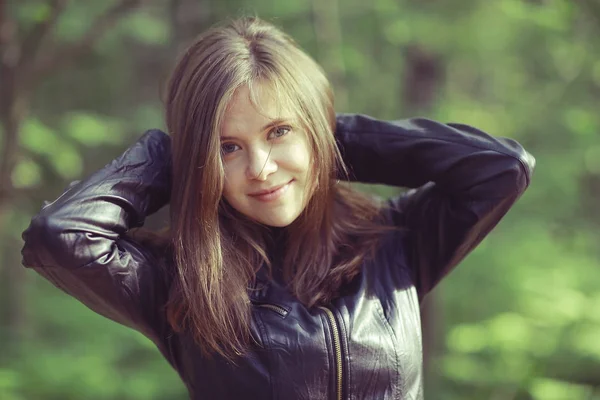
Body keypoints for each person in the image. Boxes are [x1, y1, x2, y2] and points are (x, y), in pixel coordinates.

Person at [21, 16, 535, 400]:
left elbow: (501, 167)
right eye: (228, 147)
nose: (261, 167)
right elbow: (59, 235)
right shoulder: (178, 277)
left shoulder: (396, 238)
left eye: (279, 132)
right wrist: (169, 154)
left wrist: (332, 138)